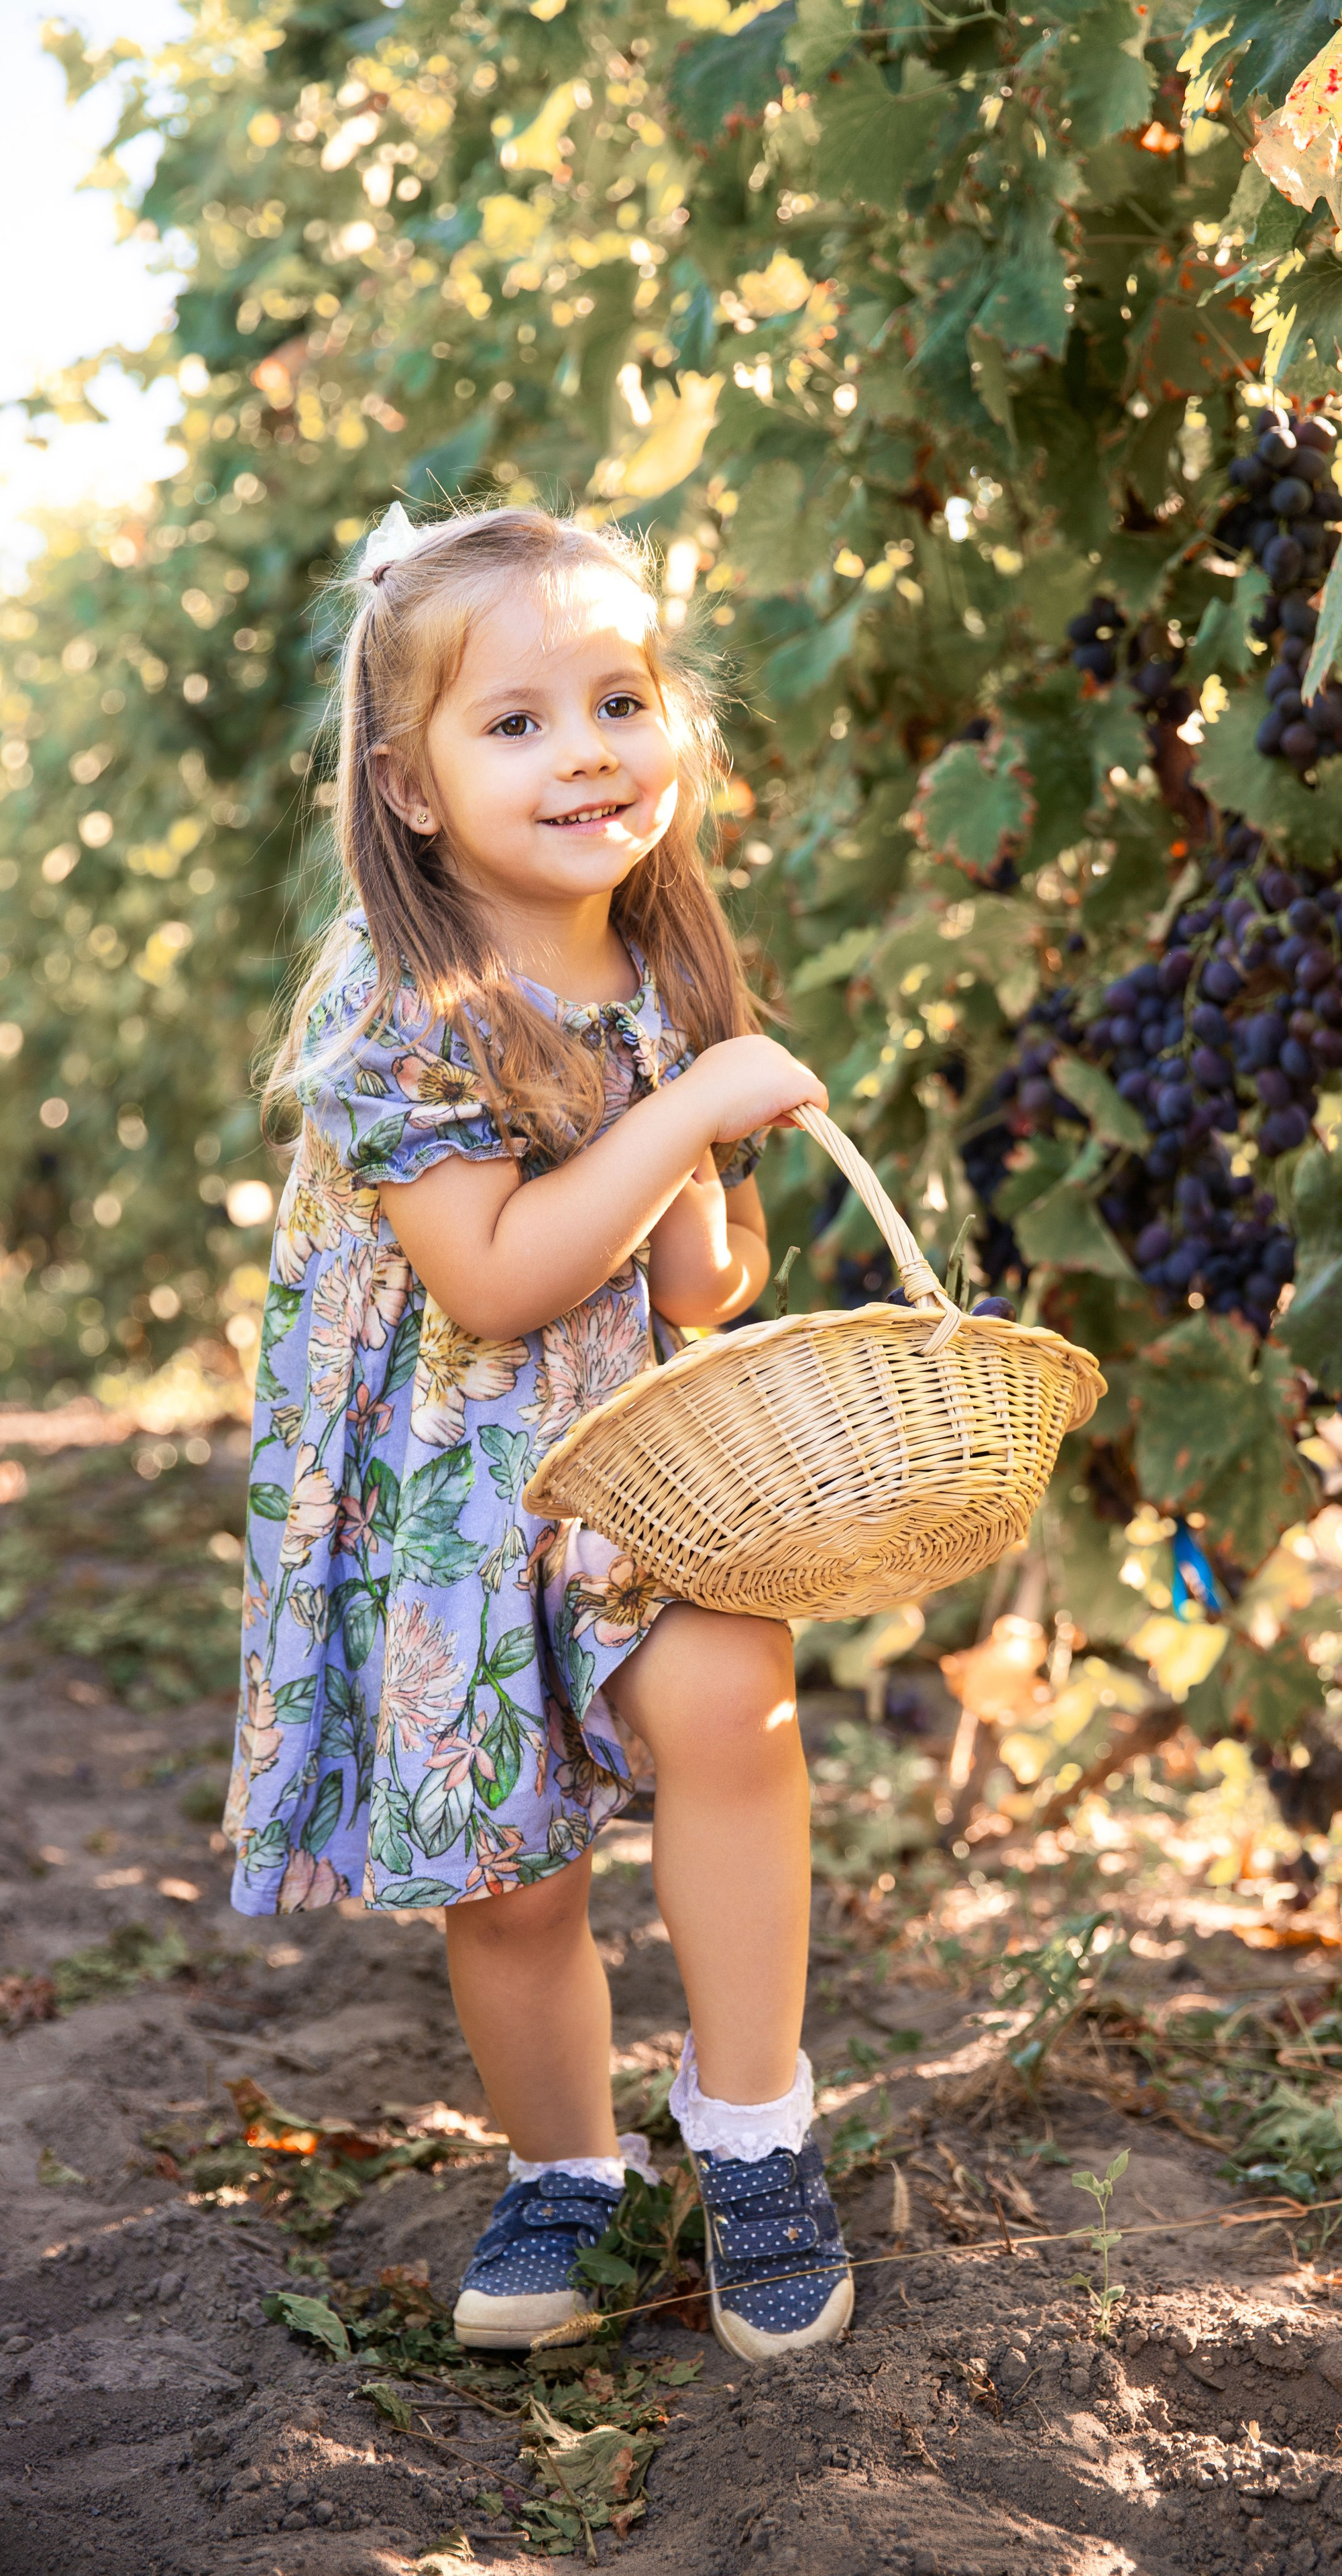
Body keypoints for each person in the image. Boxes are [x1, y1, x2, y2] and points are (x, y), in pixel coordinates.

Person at [224, 502, 849, 2363]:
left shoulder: (660, 978)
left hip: (638, 1468)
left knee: (738, 1707)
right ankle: (567, 2171)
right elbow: (492, 1280)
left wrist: (708, 1144)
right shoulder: (396, 1003)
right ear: (408, 785)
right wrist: (679, 1122)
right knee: (511, 1879)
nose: (587, 750)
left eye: (622, 701)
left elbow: (695, 1291)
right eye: (518, 723)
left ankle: (753, 2137)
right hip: (443, 1501)